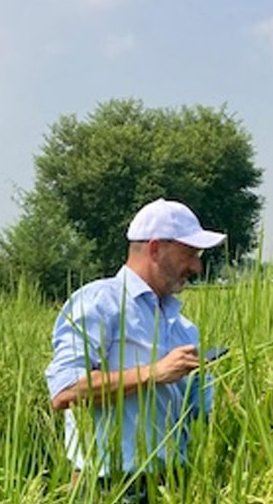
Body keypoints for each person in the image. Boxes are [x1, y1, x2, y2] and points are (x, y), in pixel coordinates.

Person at [45, 198, 224, 483]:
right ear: (155, 249)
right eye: (189, 253)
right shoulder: (100, 303)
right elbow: (65, 391)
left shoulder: (182, 326)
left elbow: (205, 409)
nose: (196, 267)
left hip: (173, 487)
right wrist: (154, 373)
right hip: (105, 489)